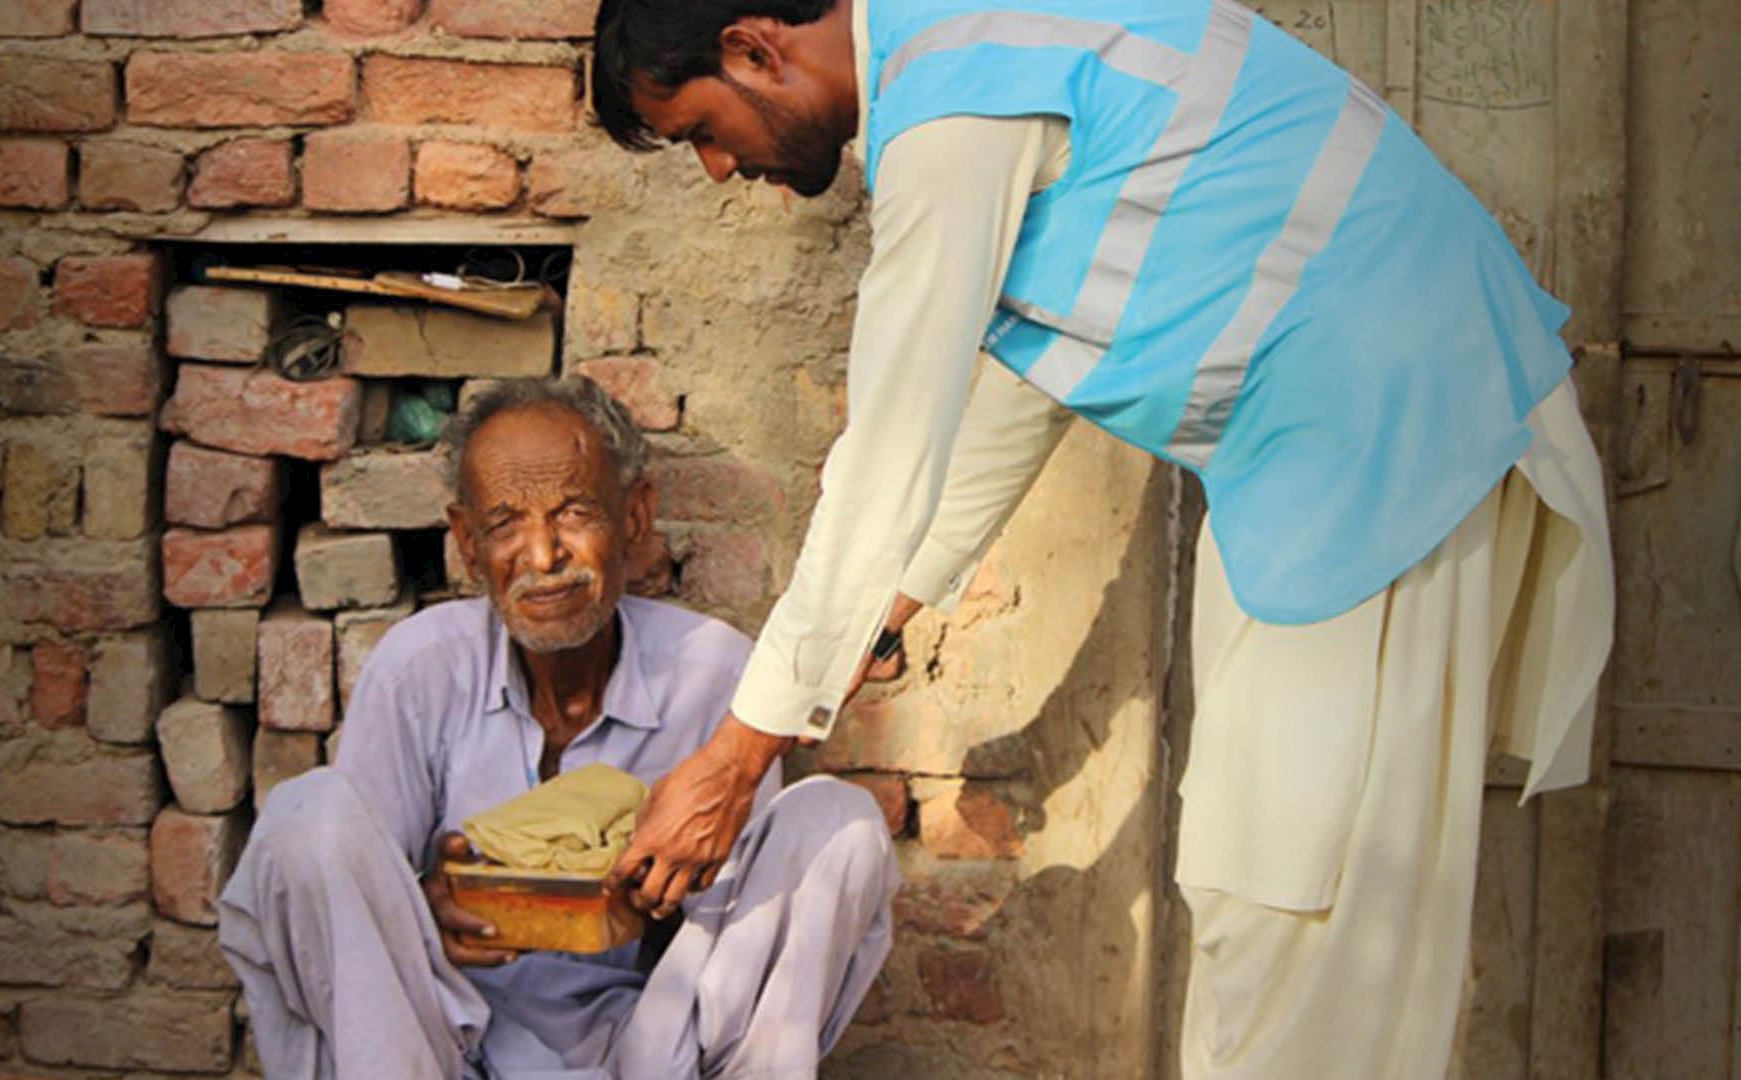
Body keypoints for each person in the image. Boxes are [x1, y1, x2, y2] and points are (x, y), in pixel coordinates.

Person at [587, 1, 1615, 1076]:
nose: (713, 168)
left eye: (700, 128)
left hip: (1387, 429)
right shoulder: (960, 53)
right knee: (1256, 894)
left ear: (755, 48)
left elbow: (890, 447)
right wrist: (880, 615)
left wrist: (738, 757)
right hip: (1322, 450)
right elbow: (1019, 389)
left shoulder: (949, 104)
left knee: (1299, 911)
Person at [217, 376, 899, 1080]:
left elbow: (734, 948)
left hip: (650, 1049)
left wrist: (659, 900)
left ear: (634, 516)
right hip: (442, 1043)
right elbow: (352, 913)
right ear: (466, 541)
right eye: (506, 523)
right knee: (308, 814)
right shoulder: (418, 668)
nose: (542, 557)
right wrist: (423, 909)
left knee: (838, 822)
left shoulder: (718, 674)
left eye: (574, 513)